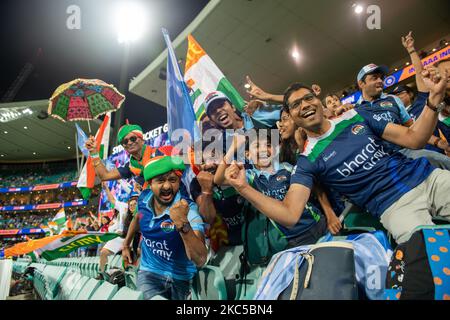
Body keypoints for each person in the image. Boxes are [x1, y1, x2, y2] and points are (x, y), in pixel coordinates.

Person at [224, 67, 450, 245]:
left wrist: (434, 98)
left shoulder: (357, 115)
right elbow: (290, 214)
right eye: (295, 105)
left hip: (429, 180)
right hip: (396, 208)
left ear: (318, 101)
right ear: (291, 116)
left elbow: (414, 139)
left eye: (308, 98)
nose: (304, 106)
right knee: (433, 265)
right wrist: (243, 187)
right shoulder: (307, 161)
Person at [215, 130, 339, 245]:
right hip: (293, 238)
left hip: (317, 223)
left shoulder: (287, 167)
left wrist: (330, 215)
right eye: (257, 146)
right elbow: (218, 180)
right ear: (247, 155)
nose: (264, 149)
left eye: (268, 145)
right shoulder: (248, 177)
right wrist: (232, 148)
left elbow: (317, 189)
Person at [354, 32, 450, 169]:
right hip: (380, 163)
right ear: (361, 84)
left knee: (440, 159)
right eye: (374, 78)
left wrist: (438, 142)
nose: (381, 81)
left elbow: (412, 129)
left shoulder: (392, 99)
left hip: (405, 152)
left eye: (381, 77)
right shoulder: (354, 111)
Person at [122, 155, 207, 300]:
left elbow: (200, 259)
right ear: (150, 183)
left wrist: (183, 224)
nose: (167, 186)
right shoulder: (143, 198)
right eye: (160, 180)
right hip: (149, 273)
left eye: (172, 180)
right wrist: (125, 244)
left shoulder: (188, 209)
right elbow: (137, 218)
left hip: (182, 279)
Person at [85, 124, 175, 186]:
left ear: (141, 139)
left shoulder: (159, 154)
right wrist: (93, 152)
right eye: (125, 141)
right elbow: (104, 176)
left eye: (133, 138)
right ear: (123, 146)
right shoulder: (131, 167)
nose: (129, 142)